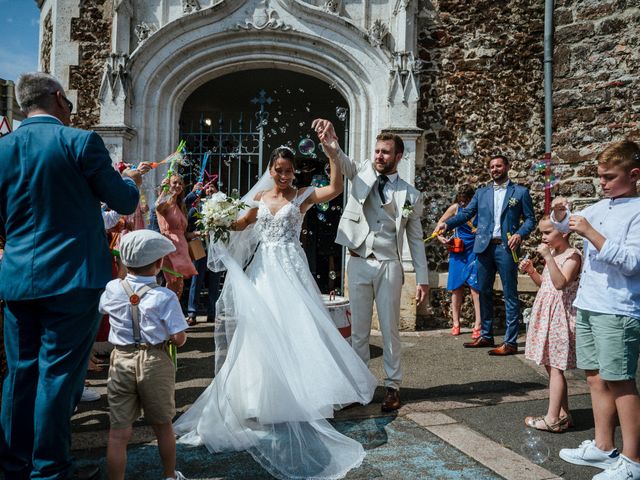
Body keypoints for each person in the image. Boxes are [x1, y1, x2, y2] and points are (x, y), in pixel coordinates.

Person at [173, 146, 377, 480]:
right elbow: (240, 225)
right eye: (278, 170)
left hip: (292, 271)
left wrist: (332, 153)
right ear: (271, 169)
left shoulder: (302, 197)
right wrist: (217, 216)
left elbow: (336, 188)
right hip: (264, 274)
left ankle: (298, 395)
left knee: (296, 331)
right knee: (257, 334)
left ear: (294, 172)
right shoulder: (259, 200)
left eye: (288, 170)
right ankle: (257, 398)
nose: (283, 176)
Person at [0, 72, 140, 480]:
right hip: (72, 276)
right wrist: (128, 180)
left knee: (20, 372)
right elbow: (124, 201)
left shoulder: (2, 149)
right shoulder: (79, 141)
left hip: (17, 278)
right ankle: (50, 468)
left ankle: (13, 465)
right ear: (60, 98)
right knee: (57, 374)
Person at [312, 119, 429, 412]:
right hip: (358, 261)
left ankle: (392, 386)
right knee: (359, 331)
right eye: (377, 151)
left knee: (390, 330)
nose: (379, 156)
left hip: (389, 264)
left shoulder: (410, 196)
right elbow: (341, 159)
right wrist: (331, 143)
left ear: (398, 156)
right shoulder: (361, 172)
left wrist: (423, 279)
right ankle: (359, 386)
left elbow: (415, 240)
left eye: (385, 152)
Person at [554, 141, 640, 480]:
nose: (601, 183)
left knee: (620, 381)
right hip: (589, 303)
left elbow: (634, 263)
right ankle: (604, 448)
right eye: (599, 176)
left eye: (609, 177)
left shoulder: (637, 211)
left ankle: (633, 461)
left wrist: (590, 233)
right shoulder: (600, 206)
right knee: (594, 377)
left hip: (618, 308)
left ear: (634, 175)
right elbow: (562, 228)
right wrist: (560, 215)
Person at [99, 229, 189, 480]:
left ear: (123, 262)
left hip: (121, 359)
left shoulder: (113, 288)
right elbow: (179, 339)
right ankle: (170, 475)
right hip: (154, 361)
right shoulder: (165, 296)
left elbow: (103, 307)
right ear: (160, 263)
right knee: (163, 426)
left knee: (118, 433)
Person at [435, 155, 535, 355]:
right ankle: (487, 335)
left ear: (507, 167)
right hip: (482, 248)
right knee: (483, 291)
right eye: (492, 166)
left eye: (498, 165)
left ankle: (511, 342)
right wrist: (447, 224)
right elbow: (465, 214)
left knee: (510, 293)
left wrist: (519, 234)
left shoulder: (521, 192)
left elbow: (530, 220)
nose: (495, 169)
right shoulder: (481, 193)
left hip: (506, 248)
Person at [520, 213, 582, 432]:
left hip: (560, 319)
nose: (543, 237)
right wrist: (532, 271)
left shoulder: (572, 256)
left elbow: (559, 283)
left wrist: (547, 257)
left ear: (563, 232)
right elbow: (544, 284)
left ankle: (552, 418)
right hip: (547, 314)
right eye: (542, 232)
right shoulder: (555, 253)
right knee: (551, 365)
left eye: (547, 232)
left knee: (556, 367)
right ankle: (564, 415)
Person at [436, 185, 481, 337]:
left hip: (475, 250)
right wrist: (440, 237)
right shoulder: (455, 208)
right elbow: (440, 225)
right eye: (462, 201)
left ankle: (478, 325)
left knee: (476, 287)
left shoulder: (480, 208)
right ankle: (456, 323)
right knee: (456, 287)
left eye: (466, 201)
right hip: (458, 250)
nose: (464, 205)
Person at [155, 174, 198, 300]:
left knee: (179, 285)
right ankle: (165, 315)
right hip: (170, 247)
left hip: (181, 248)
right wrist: (165, 190)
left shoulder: (180, 205)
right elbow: (158, 205)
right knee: (172, 283)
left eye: (180, 183)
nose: (178, 185)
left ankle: (172, 315)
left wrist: (196, 234)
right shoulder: (166, 204)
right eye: (175, 183)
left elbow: (182, 233)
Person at [184, 181, 221, 324]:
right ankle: (192, 313)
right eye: (207, 187)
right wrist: (198, 233)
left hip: (216, 248)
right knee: (196, 280)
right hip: (199, 247)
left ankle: (212, 313)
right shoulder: (196, 208)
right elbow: (187, 228)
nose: (210, 189)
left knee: (215, 281)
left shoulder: (222, 208)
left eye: (213, 186)